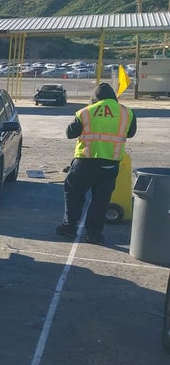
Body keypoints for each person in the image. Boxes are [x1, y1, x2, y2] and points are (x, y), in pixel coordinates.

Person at [56, 82, 136, 244]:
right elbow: (131, 133)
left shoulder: (86, 112)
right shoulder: (127, 113)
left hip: (85, 161)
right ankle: (93, 234)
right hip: (110, 164)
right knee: (101, 200)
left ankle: (70, 227)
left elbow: (70, 133)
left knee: (73, 193)